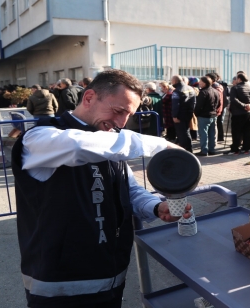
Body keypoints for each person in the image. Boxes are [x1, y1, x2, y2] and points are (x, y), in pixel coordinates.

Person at [11, 69, 192, 308]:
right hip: (59, 287)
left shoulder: (109, 142)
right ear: (88, 98)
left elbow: (130, 190)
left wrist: (156, 207)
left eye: (129, 115)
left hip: (110, 277)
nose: (121, 123)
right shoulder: (40, 137)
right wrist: (164, 147)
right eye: (118, 111)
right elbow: (78, 146)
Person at [224, 71, 250, 155]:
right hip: (248, 112)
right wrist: (249, 105)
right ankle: (246, 148)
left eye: (236, 78)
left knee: (236, 132)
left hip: (238, 113)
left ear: (239, 79)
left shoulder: (235, 88)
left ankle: (235, 149)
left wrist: (244, 106)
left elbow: (233, 99)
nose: (235, 80)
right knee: (247, 131)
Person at [194, 76, 221, 156]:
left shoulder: (203, 92)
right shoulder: (215, 91)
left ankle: (204, 150)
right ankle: (212, 149)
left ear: (204, 83)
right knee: (212, 133)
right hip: (213, 115)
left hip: (204, 116)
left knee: (203, 134)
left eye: (200, 82)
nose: (199, 83)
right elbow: (219, 103)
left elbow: (199, 105)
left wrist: (196, 113)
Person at [171, 74, 196, 152]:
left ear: (175, 81)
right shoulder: (190, 88)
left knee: (181, 134)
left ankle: (184, 151)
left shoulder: (177, 90)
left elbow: (176, 105)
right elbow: (194, 102)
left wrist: (174, 116)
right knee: (186, 132)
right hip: (188, 114)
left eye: (171, 81)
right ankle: (189, 149)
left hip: (179, 115)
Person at [206, 73, 228, 142]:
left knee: (216, 124)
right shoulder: (220, 86)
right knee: (218, 123)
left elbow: (218, 99)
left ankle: (215, 140)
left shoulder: (215, 87)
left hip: (217, 108)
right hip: (221, 107)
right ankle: (218, 138)